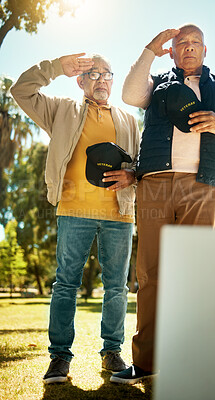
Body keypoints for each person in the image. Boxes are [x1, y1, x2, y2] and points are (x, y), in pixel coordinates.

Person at [110, 24, 215, 384]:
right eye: (181, 44)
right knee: (151, 275)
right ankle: (146, 362)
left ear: (205, 51)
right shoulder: (157, 84)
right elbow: (129, 95)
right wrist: (149, 48)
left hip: (205, 185)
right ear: (172, 51)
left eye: (195, 44)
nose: (188, 48)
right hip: (155, 183)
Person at [11, 52, 140, 384]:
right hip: (73, 210)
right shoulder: (61, 110)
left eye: (106, 74)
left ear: (113, 79)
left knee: (116, 288)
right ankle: (59, 358)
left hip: (119, 214)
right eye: (93, 74)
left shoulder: (128, 119)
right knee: (65, 285)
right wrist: (54, 67)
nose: (101, 80)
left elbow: (140, 163)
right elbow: (21, 91)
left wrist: (133, 175)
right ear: (80, 80)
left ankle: (112, 352)